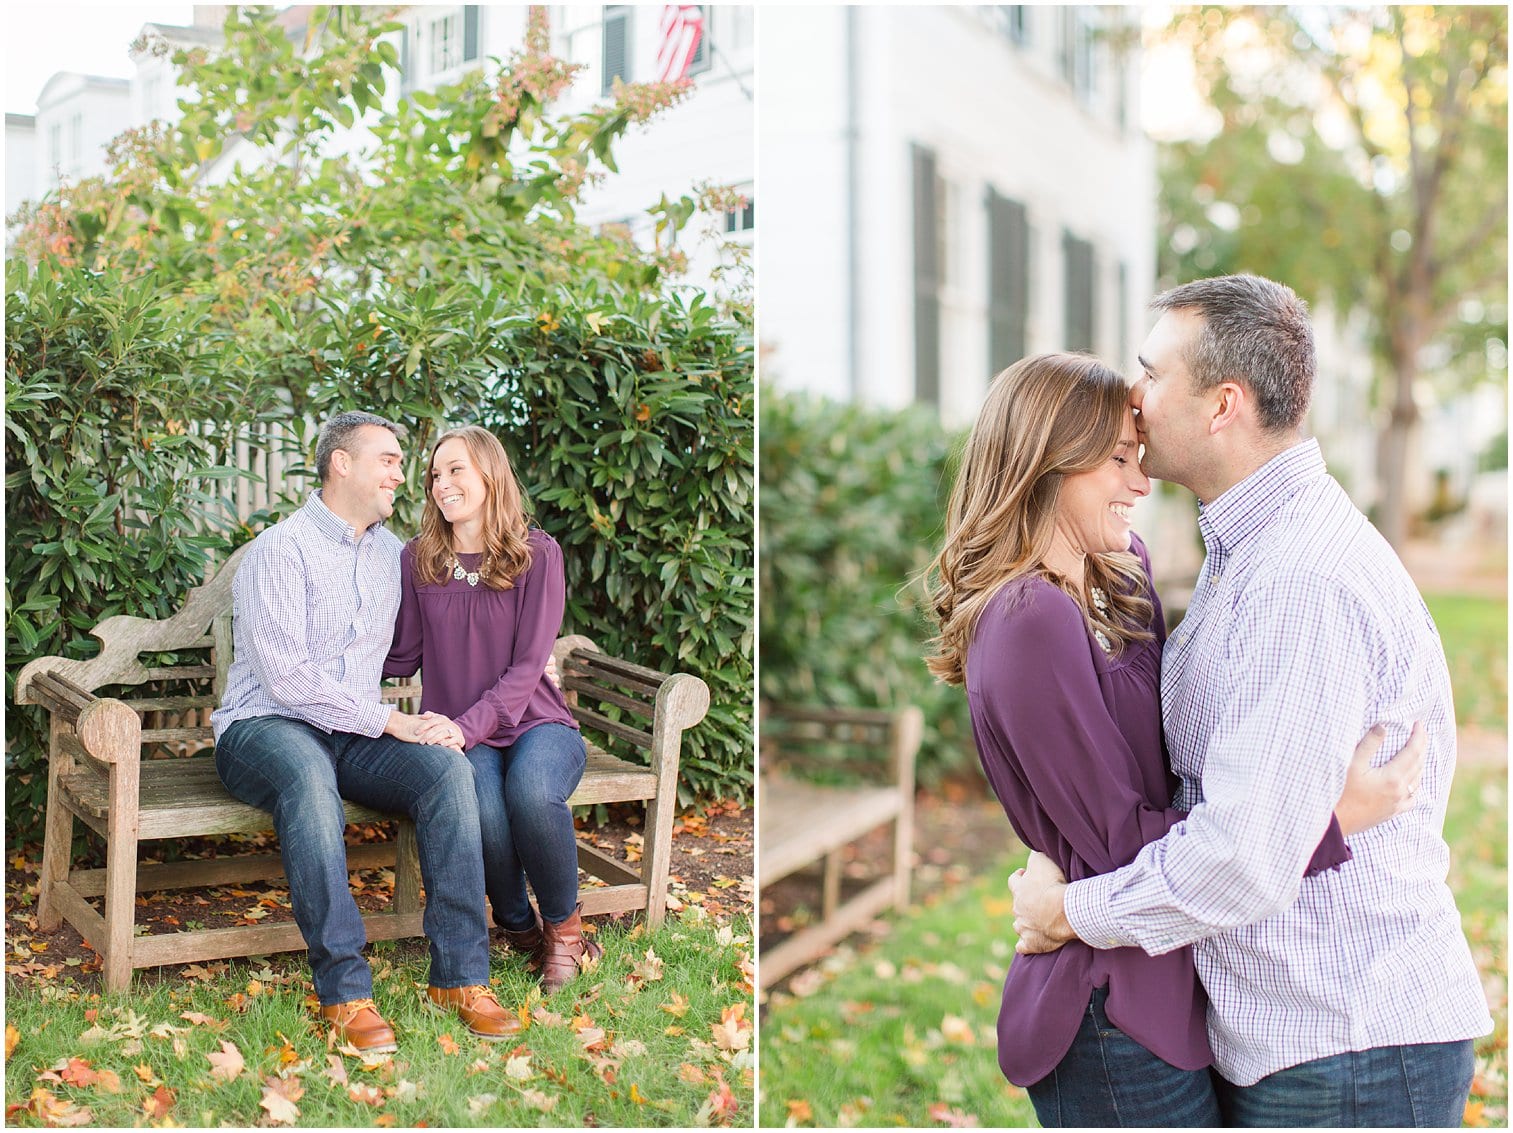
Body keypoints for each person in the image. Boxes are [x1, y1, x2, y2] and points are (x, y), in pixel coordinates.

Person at [1009, 276, 1492, 1127]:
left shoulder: (1297, 579)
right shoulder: (1252, 549)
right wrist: (1326, 813)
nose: (1132, 396)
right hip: (1293, 1034)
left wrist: (1068, 910)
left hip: (1346, 1046)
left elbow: (1240, 855)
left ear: (1222, 404)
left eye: (1150, 373)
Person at [925, 353, 1422, 1127]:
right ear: (1047, 461)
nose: (1139, 481)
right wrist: (1325, 820)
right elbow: (1121, 836)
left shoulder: (1119, 574)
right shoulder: (1026, 620)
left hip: (1173, 974)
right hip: (1108, 1002)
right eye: (1117, 460)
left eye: (1138, 454)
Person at [212, 411, 520, 1054]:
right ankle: (345, 989)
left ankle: (461, 977)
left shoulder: (394, 557)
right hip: (263, 727)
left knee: (445, 772)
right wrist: (389, 719)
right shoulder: (279, 550)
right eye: (388, 460)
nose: (401, 476)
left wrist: (516, 659)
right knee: (307, 775)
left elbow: (445, 625)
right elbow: (287, 679)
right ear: (341, 464)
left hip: (349, 731)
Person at [383, 425, 601, 994]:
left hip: (537, 724)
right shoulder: (419, 559)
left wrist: (463, 725)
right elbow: (402, 652)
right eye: (435, 473)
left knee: (531, 794)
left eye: (456, 469)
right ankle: (520, 926)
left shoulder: (536, 554)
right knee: (482, 810)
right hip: (461, 733)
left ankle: (565, 932)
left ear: (489, 474)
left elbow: (530, 667)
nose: (441, 483)